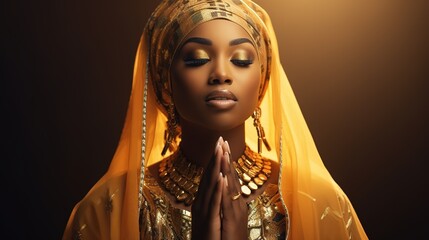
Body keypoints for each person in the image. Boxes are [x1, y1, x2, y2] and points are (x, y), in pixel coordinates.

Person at [63, 0, 368, 239]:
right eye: (197, 59)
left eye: (241, 60)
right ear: (164, 78)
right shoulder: (109, 209)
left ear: (262, 79)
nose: (221, 73)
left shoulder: (317, 203)